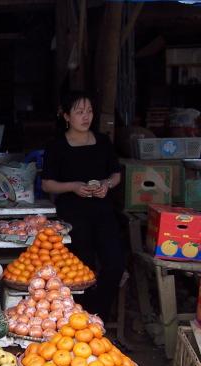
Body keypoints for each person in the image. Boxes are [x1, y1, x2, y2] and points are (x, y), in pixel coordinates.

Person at [41, 91, 124, 322]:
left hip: (103, 211)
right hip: (73, 214)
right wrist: (74, 186)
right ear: (66, 116)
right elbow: (47, 184)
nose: (85, 116)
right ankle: (81, 317)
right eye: (79, 112)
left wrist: (106, 184)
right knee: (81, 267)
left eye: (89, 111)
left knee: (115, 263)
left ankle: (99, 315)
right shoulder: (57, 146)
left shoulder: (103, 142)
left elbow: (116, 174)